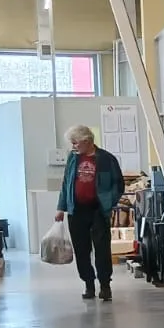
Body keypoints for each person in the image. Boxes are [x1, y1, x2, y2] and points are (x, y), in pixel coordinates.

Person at [56, 125, 123, 300]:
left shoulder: (107, 159)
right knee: (81, 250)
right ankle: (89, 284)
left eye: (75, 143)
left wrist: (108, 202)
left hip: (98, 210)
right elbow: (66, 183)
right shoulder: (73, 158)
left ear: (87, 141)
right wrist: (61, 207)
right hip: (77, 210)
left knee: (102, 249)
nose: (73, 146)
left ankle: (105, 285)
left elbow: (118, 184)